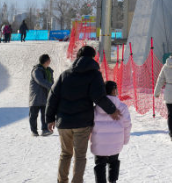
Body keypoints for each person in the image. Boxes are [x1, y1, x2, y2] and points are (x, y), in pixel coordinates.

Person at [46, 45, 121, 183]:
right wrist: (112, 110)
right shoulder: (94, 75)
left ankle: (62, 181)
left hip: (64, 122)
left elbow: (53, 96)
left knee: (65, 154)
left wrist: (49, 118)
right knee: (80, 156)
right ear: (93, 57)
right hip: (82, 122)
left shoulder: (65, 74)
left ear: (78, 57)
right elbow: (99, 97)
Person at [90, 81, 131, 183]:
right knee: (114, 162)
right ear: (114, 90)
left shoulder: (95, 108)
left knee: (100, 164)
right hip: (115, 142)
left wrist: (90, 138)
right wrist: (125, 140)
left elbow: (89, 125)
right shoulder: (122, 107)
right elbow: (127, 125)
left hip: (99, 143)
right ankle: (113, 181)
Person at [29, 53, 54, 136]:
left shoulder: (49, 71)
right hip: (36, 96)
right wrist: (52, 87)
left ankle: (45, 129)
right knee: (33, 115)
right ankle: (34, 131)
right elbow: (41, 81)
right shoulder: (37, 70)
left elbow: (52, 81)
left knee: (45, 114)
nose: (50, 60)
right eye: (49, 59)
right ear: (46, 61)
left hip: (46, 96)